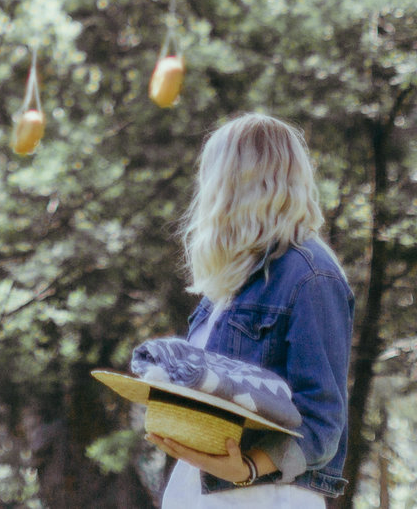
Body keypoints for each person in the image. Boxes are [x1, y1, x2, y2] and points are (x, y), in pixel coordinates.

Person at [146, 114, 354, 506]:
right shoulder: (230, 281)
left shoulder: (312, 275)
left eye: (213, 172)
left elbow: (323, 420)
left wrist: (248, 469)